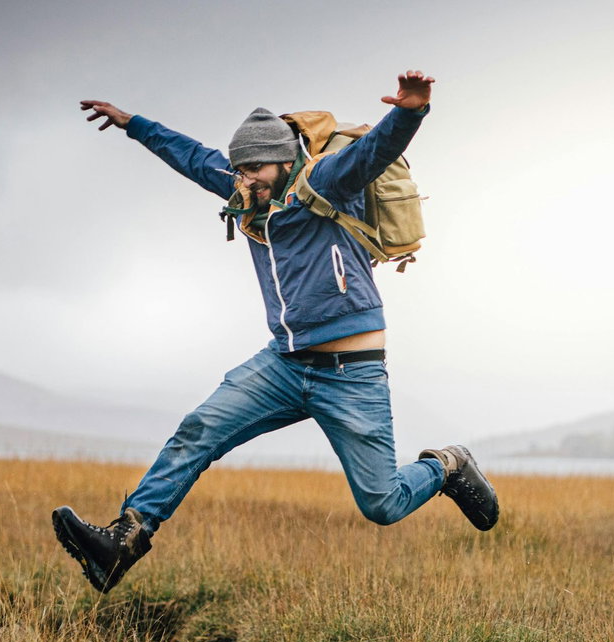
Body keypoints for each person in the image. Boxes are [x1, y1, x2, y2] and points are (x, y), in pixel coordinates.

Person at [52, 70, 499, 593]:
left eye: (255, 168)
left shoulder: (328, 180)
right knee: (197, 431)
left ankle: (448, 465)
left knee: (382, 503)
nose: (245, 179)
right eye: (239, 169)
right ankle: (122, 541)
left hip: (351, 374)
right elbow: (191, 156)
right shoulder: (247, 191)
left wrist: (411, 109)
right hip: (283, 365)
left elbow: (375, 150)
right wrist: (133, 123)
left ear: (285, 160)